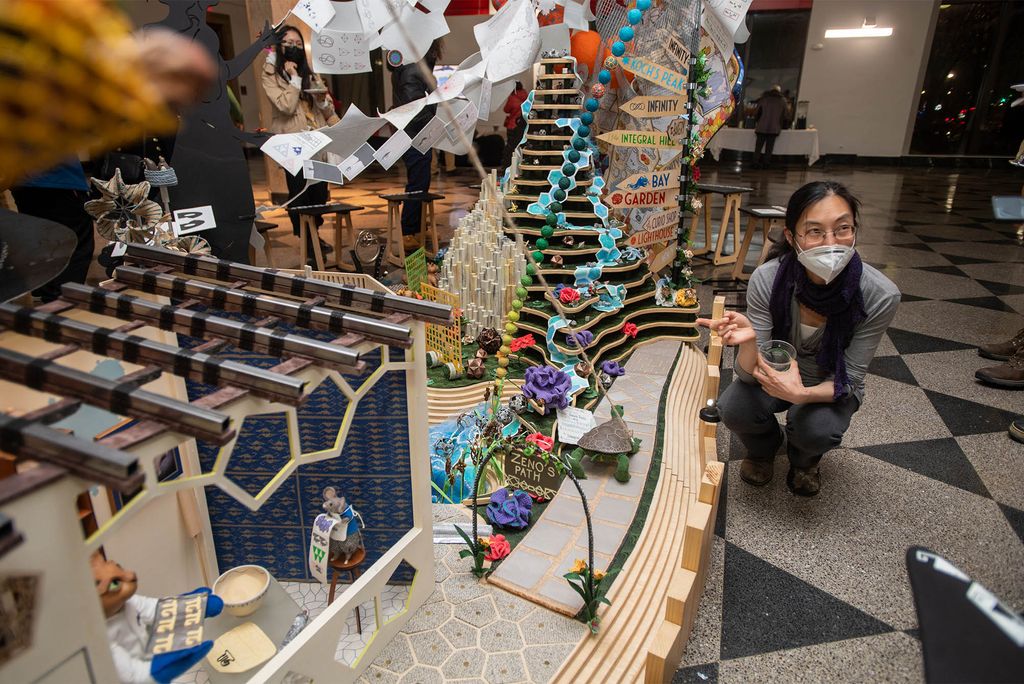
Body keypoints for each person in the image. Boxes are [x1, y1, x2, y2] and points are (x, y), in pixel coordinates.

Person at [697, 181, 900, 496]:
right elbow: (749, 377)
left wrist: (801, 395)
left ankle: (805, 460)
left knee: (817, 430)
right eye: (815, 231)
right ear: (792, 237)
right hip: (774, 371)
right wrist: (750, 344)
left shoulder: (880, 295)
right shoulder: (768, 279)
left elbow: (851, 378)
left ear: (855, 230)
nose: (831, 243)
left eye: (843, 229)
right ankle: (764, 448)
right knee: (735, 408)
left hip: (829, 380)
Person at [261, 25, 340, 261]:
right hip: (293, 144)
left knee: (318, 193)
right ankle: (307, 241)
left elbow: (327, 109)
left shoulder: (311, 73)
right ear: (279, 46)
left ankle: (314, 233)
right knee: (299, 194)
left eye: (298, 44)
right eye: (288, 44)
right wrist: (294, 80)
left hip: (317, 142)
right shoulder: (270, 74)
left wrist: (322, 100)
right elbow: (284, 106)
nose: (293, 48)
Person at [10, 159, 95, 302]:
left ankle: (46, 291)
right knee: (75, 241)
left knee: (40, 239)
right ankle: (62, 301)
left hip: (23, 181)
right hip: (57, 179)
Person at [390, 40, 442, 254]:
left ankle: (419, 227)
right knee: (417, 184)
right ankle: (409, 231)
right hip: (413, 133)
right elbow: (414, 109)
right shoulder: (413, 68)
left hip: (416, 134)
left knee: (421, 181)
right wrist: (437, 109)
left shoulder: (415, 65)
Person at [753, 85, 788, 169]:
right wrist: (782, 125)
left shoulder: (763, 99)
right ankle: (766, 163)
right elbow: (785, 115)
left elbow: (757, 113)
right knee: (769, 148)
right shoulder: (782, 101)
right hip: (774, 128)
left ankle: (755, 162)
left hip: (761, 127)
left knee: (758, 147)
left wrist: (757, 122)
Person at [501, 81, 528, 172]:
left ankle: (508, 167)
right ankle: (520, 166)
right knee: (521, 146)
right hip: (523, 125)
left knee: (510, 147)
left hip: (512, 125)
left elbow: (506, 110)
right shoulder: (526, 96)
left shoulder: (512, 97)